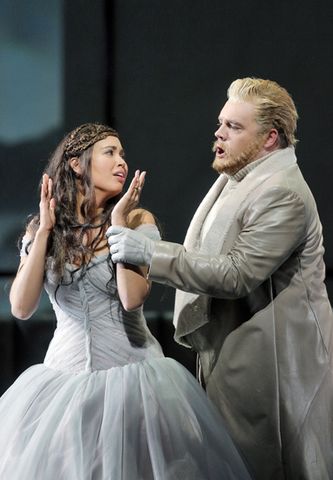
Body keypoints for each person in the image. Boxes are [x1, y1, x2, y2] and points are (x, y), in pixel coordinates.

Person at [107, 78, 333, 480]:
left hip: (275, 364)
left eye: (233, 126)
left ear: (269, 139)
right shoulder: (240, 176)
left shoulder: (283, 193)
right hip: (233, 351)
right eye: (220, 122)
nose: (218, 133)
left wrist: (149, 254)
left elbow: (236, 273)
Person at [0, 123, 253, 480]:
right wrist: (43, 231)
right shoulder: (43, 230)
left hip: (134, 379)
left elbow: (132, 298)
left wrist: (118, 225)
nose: (121, 162)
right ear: (76, 164)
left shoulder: (135, 220)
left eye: (123, 154)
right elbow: (21, 308)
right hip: (63, 381)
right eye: (110, 152)